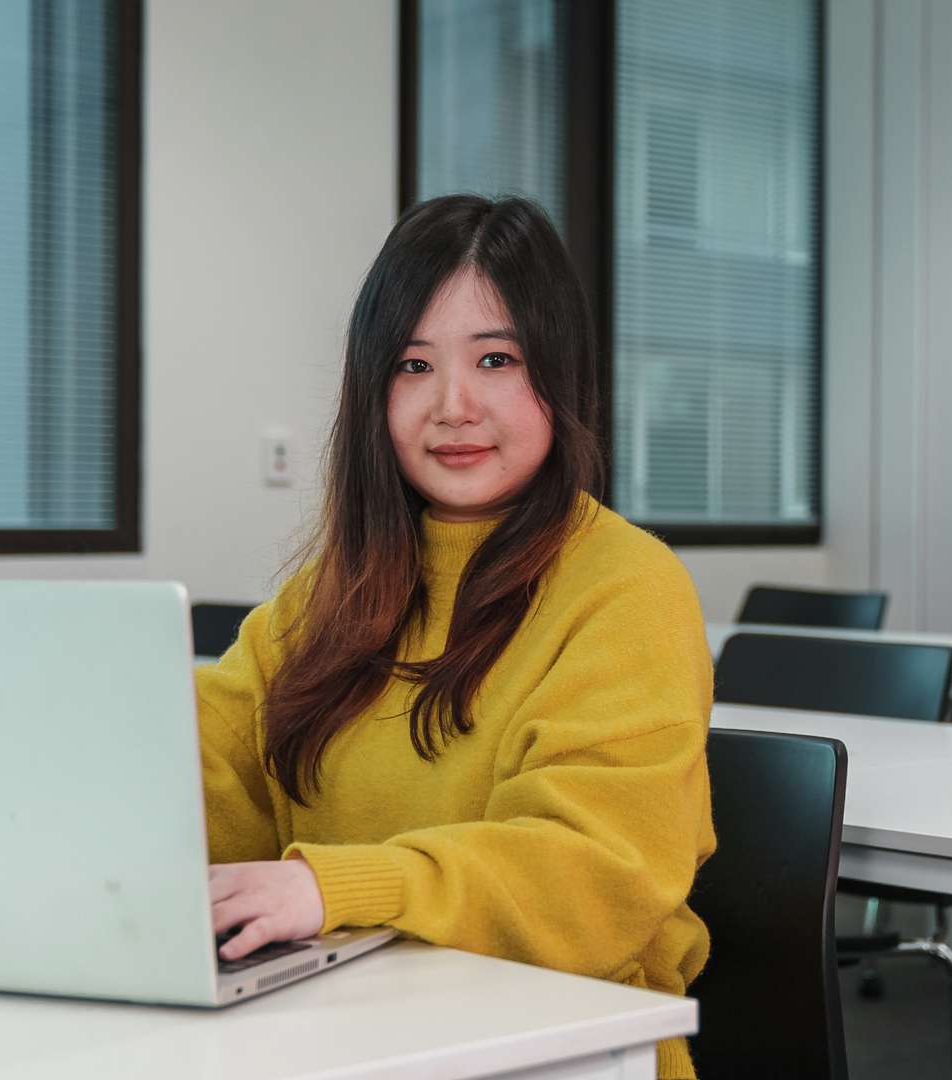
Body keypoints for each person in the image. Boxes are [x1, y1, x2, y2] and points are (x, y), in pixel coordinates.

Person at [195, 194, 716, 1078]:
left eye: (497, 360)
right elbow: (218, 778)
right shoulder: (333, 590)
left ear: (560, 372)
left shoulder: (630, 589)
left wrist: (337, 888)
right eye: (412, 365)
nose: (453, 406)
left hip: (566, 1054)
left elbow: (595, 874)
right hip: (352, 1033)